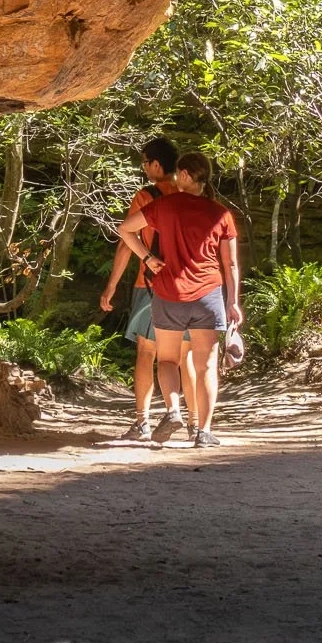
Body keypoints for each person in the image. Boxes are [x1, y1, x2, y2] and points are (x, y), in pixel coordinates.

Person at [116, 150, 242, 450]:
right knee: (206, 365)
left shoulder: (164, 205)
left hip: (168, 292)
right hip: (208, 296)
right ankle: (203, 432)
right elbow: (231, 264)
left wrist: (148, 258)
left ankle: (172, 410)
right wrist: (233, 301)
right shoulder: (221, 214)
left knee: (169, 359)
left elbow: (125, 229)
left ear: (185, 175)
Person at [100, 136, 197, 441]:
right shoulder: (189, 195)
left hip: (151, 284)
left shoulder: (146, 197)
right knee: (185, 356)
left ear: (156, 164)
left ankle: (142, 421)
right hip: (188, 286)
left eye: (144, 162)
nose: (143, 168)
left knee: (147, 352)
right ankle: (196, 424)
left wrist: (111, 286)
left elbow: (126, 244)